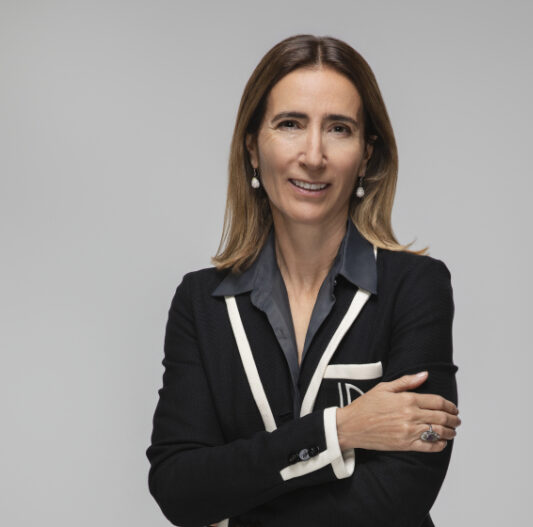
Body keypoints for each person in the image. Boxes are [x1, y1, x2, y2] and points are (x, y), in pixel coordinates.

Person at [146, 34, 461, 527]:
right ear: (253, 147)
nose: (313, 155)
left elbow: (402, 495)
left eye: (338, 128)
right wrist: (341, 429)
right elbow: (179, 488)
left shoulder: (415, 288)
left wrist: (236, 506)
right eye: (290, 124)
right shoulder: (201, 303)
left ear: (366, 154)